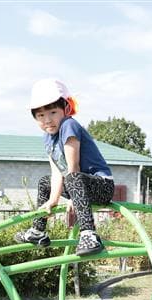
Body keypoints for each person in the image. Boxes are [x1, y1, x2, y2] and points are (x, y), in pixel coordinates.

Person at [15, 79, 114, 256]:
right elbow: (56, 173)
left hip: (101, 186)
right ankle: (38, 231)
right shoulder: (47, 138)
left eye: (53, 112)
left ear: (66, 109)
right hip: (76, 184)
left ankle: (89, 234)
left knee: (72, 177)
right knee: (45, 182)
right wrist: (52, 202)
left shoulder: (69, 125)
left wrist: (73, 198)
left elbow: (72, 167)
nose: (47, 120)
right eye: (40, 115)